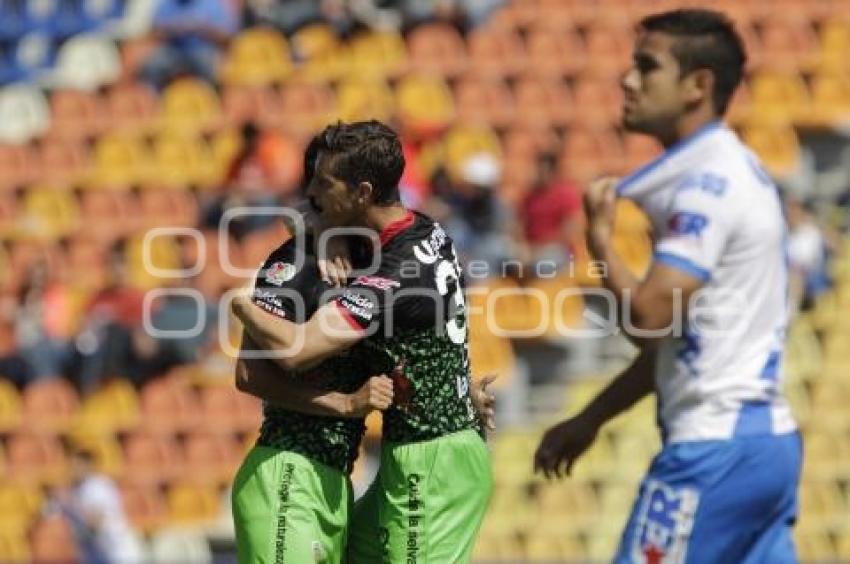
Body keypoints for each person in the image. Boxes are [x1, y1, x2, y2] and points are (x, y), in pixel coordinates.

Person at [534, 9, 801, 563]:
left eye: (647, 67)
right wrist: (592, 418)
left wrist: (601, 241)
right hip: (763, 444)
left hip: (713, 452)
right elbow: (670, 344)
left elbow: (650, 318)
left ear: (697, 86)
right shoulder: (727, 170)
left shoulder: (708, 183)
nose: (627, 80)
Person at [232, 120, 494, 563]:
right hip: (301, 469)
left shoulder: (389, 271)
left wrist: (239, 305)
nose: (310, 193)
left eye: (322, 183)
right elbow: (248, 371)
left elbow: (297, 351)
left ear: (363, 193)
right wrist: (317, 232)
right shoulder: (421, 230)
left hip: (426, 464)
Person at [46, 446, 143, 563]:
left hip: (116, 553)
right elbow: (51, 517)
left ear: (87, 466)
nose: (72, 470)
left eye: (76, 465)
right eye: (70, 465)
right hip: (93, 553)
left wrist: (69, 502)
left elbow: (96, 522)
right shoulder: (74, 490)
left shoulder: (97, 486)